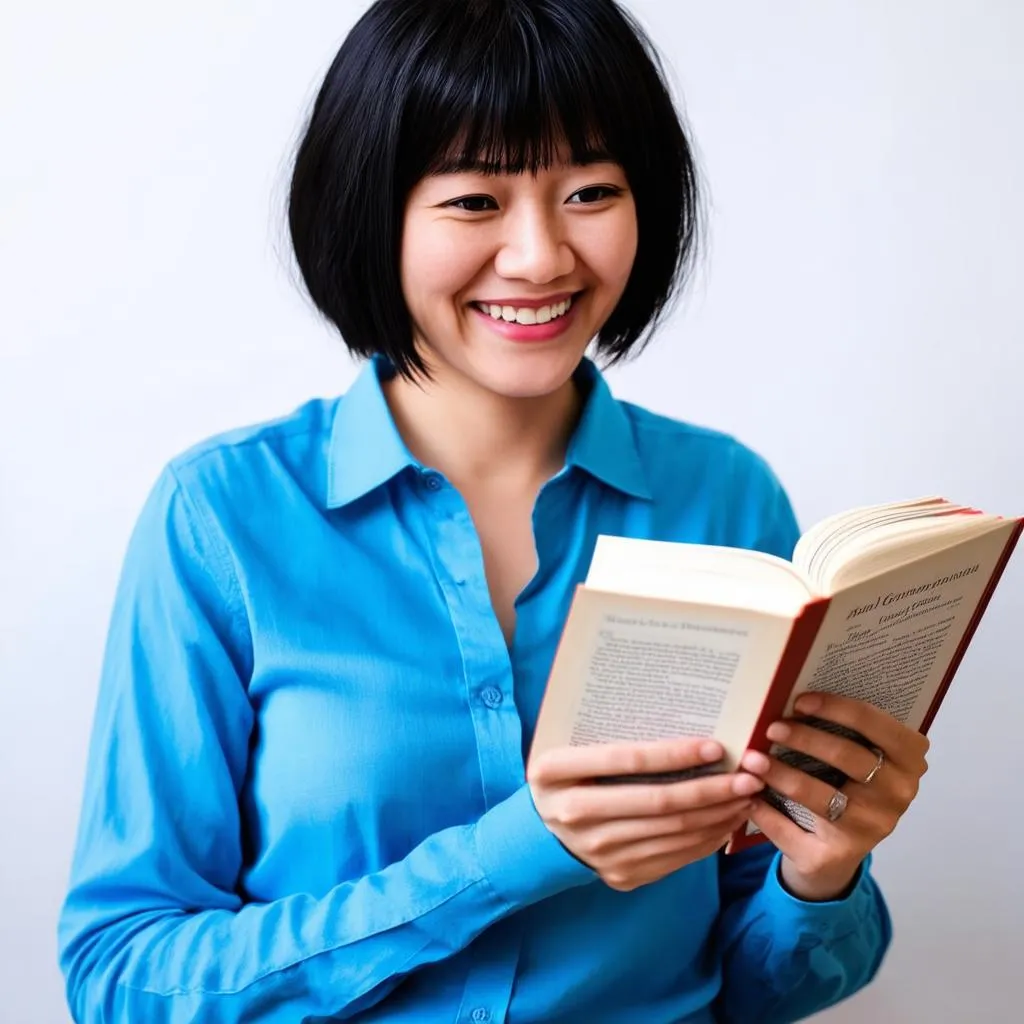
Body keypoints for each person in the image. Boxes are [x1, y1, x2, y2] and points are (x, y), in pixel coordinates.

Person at [58, 1, 931, 1021]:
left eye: (591, 191)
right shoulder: (223, 517)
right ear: (368, 211)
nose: (541, 257)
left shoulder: (724, 498)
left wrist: (821, 872)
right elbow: (122, 977)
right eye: (475, 200)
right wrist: (508, 858)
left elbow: (751, 982)